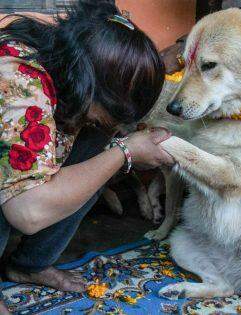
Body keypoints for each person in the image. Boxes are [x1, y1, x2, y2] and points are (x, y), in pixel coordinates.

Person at [0, 1, 174, 313]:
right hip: (22, 200)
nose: (115, 126)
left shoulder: (75, 59)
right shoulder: (19, 81)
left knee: (99, 145)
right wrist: (126, 151)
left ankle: (30, 264)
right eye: (110, 115)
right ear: (88, 86)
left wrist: (118, 147)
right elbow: (27, 211)